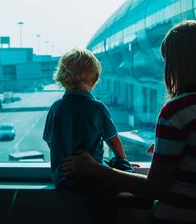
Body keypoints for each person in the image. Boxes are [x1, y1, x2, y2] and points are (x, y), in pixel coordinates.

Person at [62, 21, 196, 224]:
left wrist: (95, 168)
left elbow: (153, 189)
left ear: (176, 64)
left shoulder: (177, 111)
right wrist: (177, 149)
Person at [43, 48, 132, 223]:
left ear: (62, 78)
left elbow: (49, 139)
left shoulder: (56, 107)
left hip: (62, 177)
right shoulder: (96, 107)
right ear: (96, 78)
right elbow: (113, 140)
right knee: (115, 171)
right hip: (91, 177)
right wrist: (123, 160)